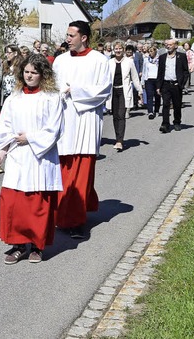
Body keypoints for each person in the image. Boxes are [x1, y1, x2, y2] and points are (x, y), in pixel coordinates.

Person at [0, 54, 63, 264]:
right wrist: (1, 152)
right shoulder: (14, 98)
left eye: (34, 72)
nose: (29, 76)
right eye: (26, 72)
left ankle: (38, 246)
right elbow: (5, 127)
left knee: (38, 204)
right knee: (15, 203)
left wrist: (30, 138)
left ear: (43, 74)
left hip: (41, 157)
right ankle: (19, 245)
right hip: (17, 156)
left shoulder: (52, 97)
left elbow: (54, 129)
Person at [52, 20, 112, 239]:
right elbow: (51, 87)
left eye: (71, 35)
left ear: (84, 37)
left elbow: (103, 90)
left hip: (86, 120)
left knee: (81, 174)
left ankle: (76, 221)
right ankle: (60, 214)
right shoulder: (59, 61)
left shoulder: (99, 60)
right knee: (63, 172)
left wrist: (74, 90)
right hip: (64, 120)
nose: (67, 39)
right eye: (67, 35)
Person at [106, 41, 143, 151]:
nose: (118, 51)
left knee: (121, 115)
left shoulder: (129, 62)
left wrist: (140, 91)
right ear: (113, 50)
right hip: (113, 91)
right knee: (115, 116)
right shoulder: (109, 63)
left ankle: (119, 141)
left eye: (120, 48)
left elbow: (135, 78)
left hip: (124, 91)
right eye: (116, 49)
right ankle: (117, 136)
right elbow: (105, 79)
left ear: (123, 50)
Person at [156, 38, 189, 133]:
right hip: (165, 84)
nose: (168, 46)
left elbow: (185, 71)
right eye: (167, 44)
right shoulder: (162, 57)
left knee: (177, 105)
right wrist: (158, 86)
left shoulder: (181, 56)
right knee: (165, 105)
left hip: (176, 84)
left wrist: (181, 84)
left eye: (170, 44)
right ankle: (165, 124)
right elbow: (160, 73)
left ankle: (177, 122)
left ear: (175, 46)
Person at [142, 46, 161, 119]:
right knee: (149, 96)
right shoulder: (146, 60)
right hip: (149, 80)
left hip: (157, 80)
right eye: (149, 51)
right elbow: (144, 71)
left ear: (155, 52)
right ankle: (150, 111)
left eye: (152, 51)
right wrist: (143, 82)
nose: (150, 53)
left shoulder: (159, 60)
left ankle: (156, 110)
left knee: (157, 96)